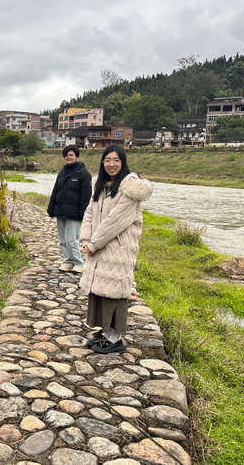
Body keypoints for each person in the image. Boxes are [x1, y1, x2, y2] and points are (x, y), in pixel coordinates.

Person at [79, 145, 152, 354]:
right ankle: (105, 331)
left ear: (123, 162)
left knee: (114, 292)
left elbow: (114, 222)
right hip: (99, 246)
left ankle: (115, 338)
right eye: (108, 160)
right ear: (103, 163)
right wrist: (85, 239)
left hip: (117, 248)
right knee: (101, 290)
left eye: (116, 160)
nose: (112, 164)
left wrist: (93, 244)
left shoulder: (130, 189)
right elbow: (89, 212)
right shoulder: (100, 185)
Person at [47, 145, 92, 273]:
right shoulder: (62, 172)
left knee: (72, 239)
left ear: (76, 156)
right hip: (60, 210)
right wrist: (52, 208)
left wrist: (83, 213)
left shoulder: (83, 173)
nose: (69, 157)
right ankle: (67, 261)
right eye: (66, 155)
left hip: (74, 212)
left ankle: (78, 262)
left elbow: (86, 196)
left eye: (71, 155)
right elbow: (56, 191)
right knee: (62, 239)